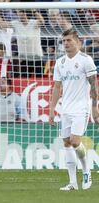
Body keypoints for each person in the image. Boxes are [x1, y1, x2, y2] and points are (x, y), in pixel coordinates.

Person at [49, 28, 99, 191]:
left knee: (76, 142)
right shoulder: (60, 62)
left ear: (78, 42)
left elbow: (94, 85)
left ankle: (86, 171)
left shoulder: (86, 60)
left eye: (69, 40)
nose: (66, 44)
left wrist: (94, 107)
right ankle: (72, 182)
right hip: (66, 109)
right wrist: (52, 109)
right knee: (66, 143)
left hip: (81, 109)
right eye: (64, 41)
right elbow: (57, 87)